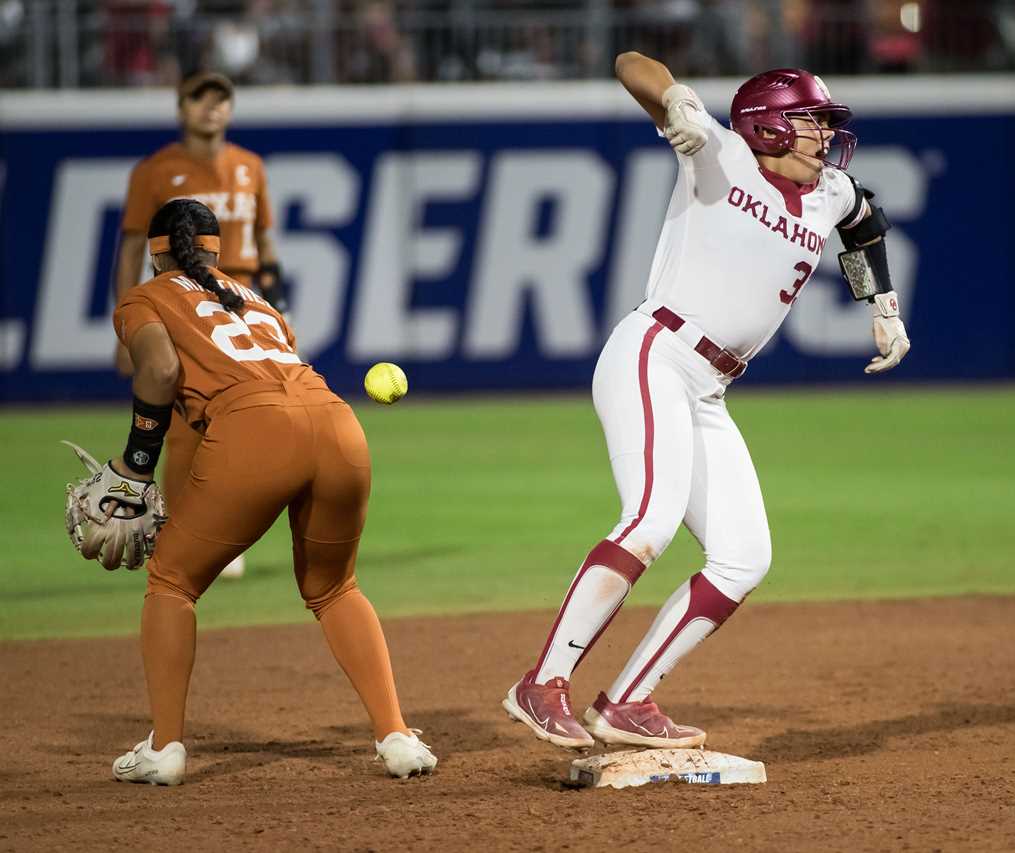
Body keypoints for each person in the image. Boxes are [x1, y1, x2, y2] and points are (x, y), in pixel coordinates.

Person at [502, 51, 909, 750]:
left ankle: (626, 700)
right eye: (811, 122)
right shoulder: (718, 151)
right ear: (771, 128)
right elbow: (633, 64)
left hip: (710, 387)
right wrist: (680, 102)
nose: (824, 136)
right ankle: (542, 683)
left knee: (744, 556)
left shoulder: (829, 191)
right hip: (654, 352)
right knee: (650, 520)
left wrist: (882, 302)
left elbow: (865, 222)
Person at [99, 198, 434, 784]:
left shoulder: (144, 298)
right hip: (337, 425)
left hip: (257, 432)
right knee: (334, 587)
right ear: (217, 250)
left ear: (155, 254)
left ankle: (166, 749)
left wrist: (135, 465)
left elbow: (159, 372)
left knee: (172, 581)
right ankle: (397, 736)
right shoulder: (258, 302)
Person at [115, 70, 285, 580]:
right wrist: (127, 321)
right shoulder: (156, 171)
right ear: (180, 107)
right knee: (188, 420)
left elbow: (266, 243)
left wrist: (275, 306)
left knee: (251, 420)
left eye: (221, 99)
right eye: (200, 98)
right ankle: (181, 530)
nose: (211, 108)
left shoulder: (250, 167)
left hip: (241, 299)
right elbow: (130, 249)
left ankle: (224, 529)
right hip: (183, 302)